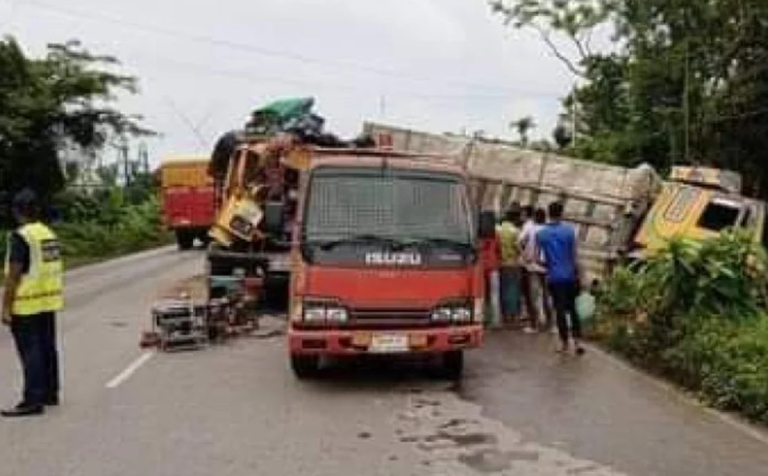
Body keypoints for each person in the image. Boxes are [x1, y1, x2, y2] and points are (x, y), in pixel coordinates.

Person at [2, 189, 63, 417]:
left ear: (17, 211)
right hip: (48, 300)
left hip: (26, 303)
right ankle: (50, 392)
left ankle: (32, 400)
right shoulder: (47, 233)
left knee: (31, 351)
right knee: (47, 347)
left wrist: (6, 306)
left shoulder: (22, 235)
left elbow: (14, 273)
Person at [536, 201, 585, 355]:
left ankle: (564, 344)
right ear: (561, 213)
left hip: (554, 278)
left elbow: (537, 258)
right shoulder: (570, 231)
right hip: (570, 277)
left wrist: (548, 264)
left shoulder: (541, 234)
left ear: (549, 214)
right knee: (573, 309)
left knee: (560, 311)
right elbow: (575, 256)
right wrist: (581, 276)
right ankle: (577, 342)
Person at [496, 208, 522, 326]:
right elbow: (518, 247)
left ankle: (504, 315)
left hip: (501, 263)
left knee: (503, 289)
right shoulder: (515, 231)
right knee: (513, 290)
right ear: (515, 218)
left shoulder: (498, 229)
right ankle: (513, 317)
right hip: (513, 263)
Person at [478, 210, 501, 328]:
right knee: (494, 295)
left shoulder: (477, 235)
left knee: (481, 295)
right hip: (494, 267)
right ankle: (495, 321)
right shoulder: (496, 234)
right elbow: (499, 249)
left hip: (480, 267)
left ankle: (481, 319)